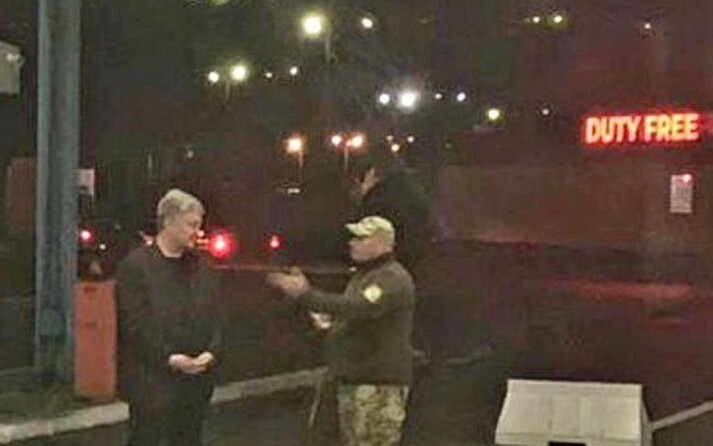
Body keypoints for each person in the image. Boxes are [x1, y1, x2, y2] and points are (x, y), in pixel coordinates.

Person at [267, 215, 415, 446]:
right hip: (355, 381)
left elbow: (358, 307)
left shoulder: (390, 278)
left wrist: (306, 294)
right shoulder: (364, 276)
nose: (352, 243)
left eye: (361, 238)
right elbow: (356, 317)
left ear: (382, 243)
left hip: (377, 385)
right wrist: (333, 325)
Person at [116, 189, 222, 446]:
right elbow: (133, 325)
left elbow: (217, 316)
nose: (197, 232)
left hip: (195, 384)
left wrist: (211, 352)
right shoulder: (136, 267)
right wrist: (168, 358)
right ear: (169, 221)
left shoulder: (203, 267)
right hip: (151, 384)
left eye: (199, 225)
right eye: (191, 225)